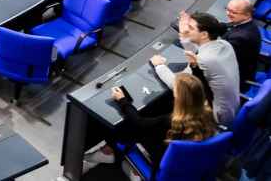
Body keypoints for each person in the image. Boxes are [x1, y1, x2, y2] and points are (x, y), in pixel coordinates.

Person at [83, 73, 216, 175]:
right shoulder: (206, 110)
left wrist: (123, 101)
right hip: (191, 162)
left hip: (163, 163)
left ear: (180, 97)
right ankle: (109, 151)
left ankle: (112, 155)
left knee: (124, 128)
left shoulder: (171, 120)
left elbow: (139, 123)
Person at [154, 11, 241, 125]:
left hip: (216, 115)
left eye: (190, 27)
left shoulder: (204, 61)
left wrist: (159, 65)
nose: (186, 30)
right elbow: (198, 50)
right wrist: (185, 35)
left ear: (204, 34)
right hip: (232, 105)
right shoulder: (224, 44)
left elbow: (177, 85)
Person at [220, 0, 261, 92]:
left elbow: (221, 60)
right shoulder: (247, 24)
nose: (228, 13)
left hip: (232, 81)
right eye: (227, 9)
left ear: (247, 14)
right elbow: (228, 28)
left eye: (233, 12)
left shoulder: (241, 38)